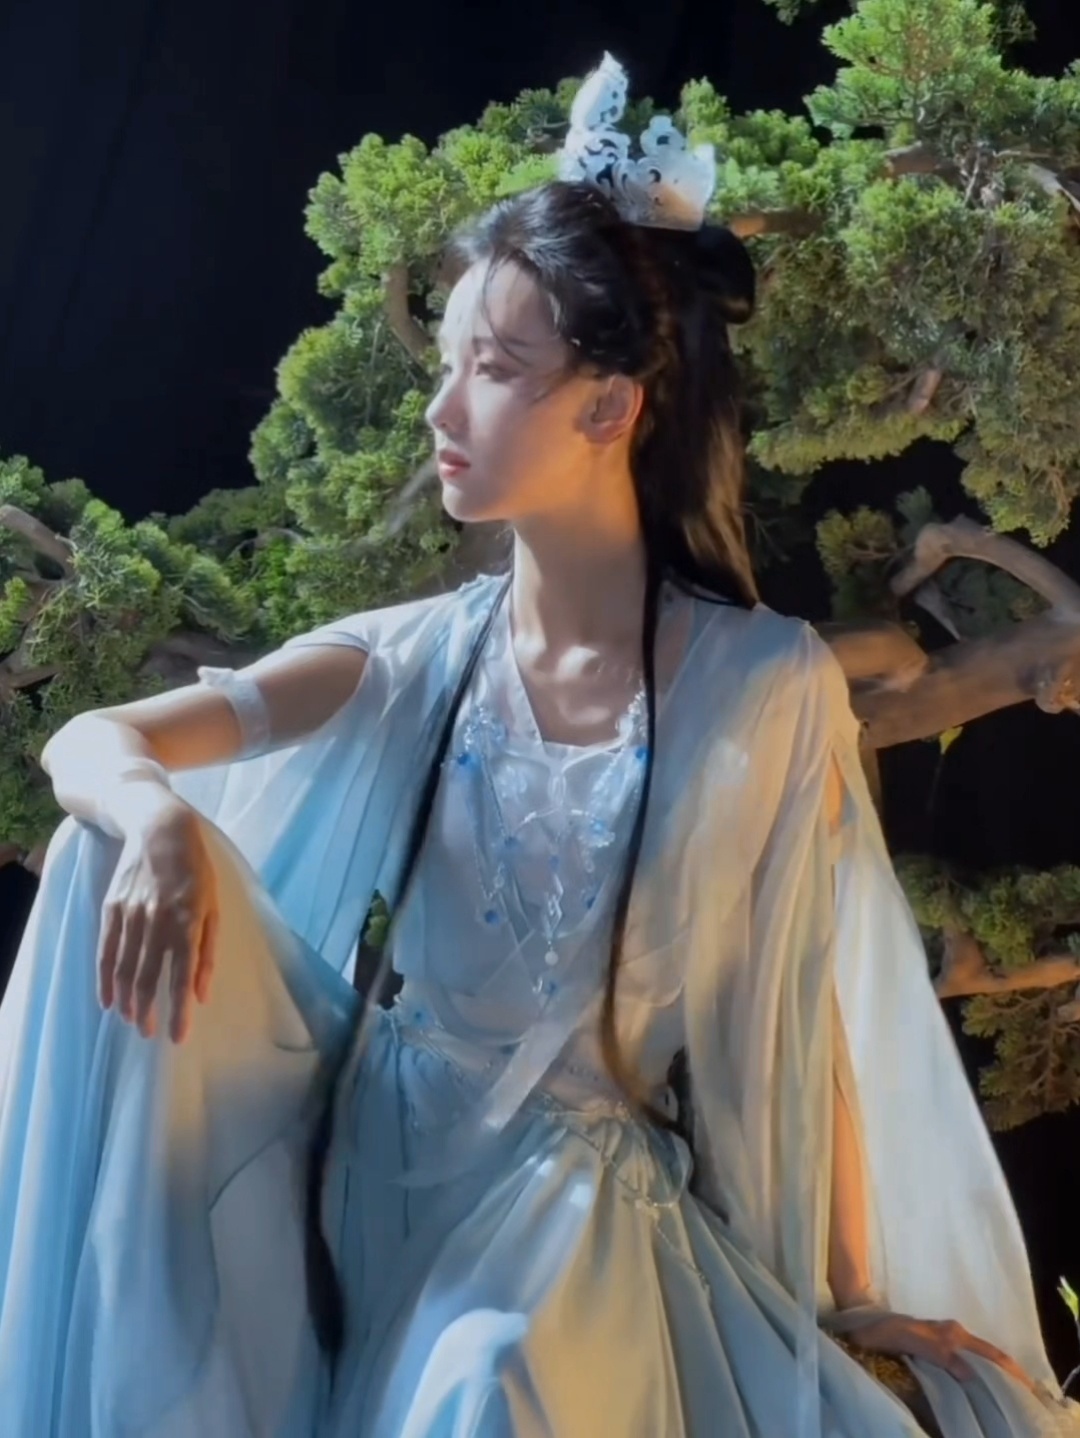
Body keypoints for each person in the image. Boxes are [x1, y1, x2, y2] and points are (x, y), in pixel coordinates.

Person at [0, 51, 1076, 1438]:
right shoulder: (410, 656)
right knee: (103, 848)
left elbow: (788, 1028)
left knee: (490, 1373)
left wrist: (846, 1299)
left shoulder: (758, 684)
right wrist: (153, 818)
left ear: (611, 407)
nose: (442, 409)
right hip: (367, 1154)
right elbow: (93, 739)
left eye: (495, 369)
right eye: (449, 362)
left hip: (570, 1201)